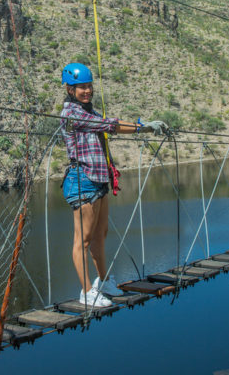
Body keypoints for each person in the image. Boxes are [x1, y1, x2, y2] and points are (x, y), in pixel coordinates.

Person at [60, 62, 168, 307]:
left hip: (99, 181)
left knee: (100, 234)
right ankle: (86, 293)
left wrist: (142, 126)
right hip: (83, 181)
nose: (86, 91)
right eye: (81, 88)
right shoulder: (71, 113)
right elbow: (110, 126)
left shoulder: (89, 112)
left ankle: (103, 280)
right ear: (69, 90)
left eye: (89, 86)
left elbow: (108, 124)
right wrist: (144, 128)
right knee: (83, 240)